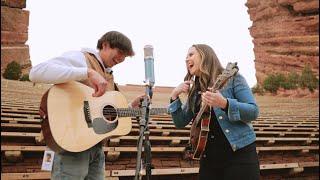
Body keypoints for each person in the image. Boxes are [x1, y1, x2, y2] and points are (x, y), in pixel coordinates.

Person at [30, 31, 144, 180]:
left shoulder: (108, 75)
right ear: (105, 45)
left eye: (125, 56)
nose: (121, 59)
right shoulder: (81, 58)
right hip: (72, 143)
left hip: (95, 146)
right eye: (120, 52)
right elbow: (35, 73)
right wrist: (87, 72)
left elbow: (101, 112)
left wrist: (130, 108)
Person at [168, 44, 260, 180]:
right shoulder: (195, 91)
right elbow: (180, 122)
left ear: (205, 55)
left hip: (239, 155)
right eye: (186, 57)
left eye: (191, 54)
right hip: (209, 159)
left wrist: (224, 103)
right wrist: (174, 97)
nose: (187, 59)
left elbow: (253, 111)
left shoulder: (233, 78)